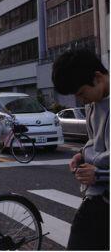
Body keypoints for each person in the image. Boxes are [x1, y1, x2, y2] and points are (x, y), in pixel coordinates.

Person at [52, 49, 109, 250]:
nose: (82, 100)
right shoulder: (93, 104)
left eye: (82, 93)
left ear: (98, 77)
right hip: (98, 198)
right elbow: (94, 140)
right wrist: (81, 154)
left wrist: (100, 174)